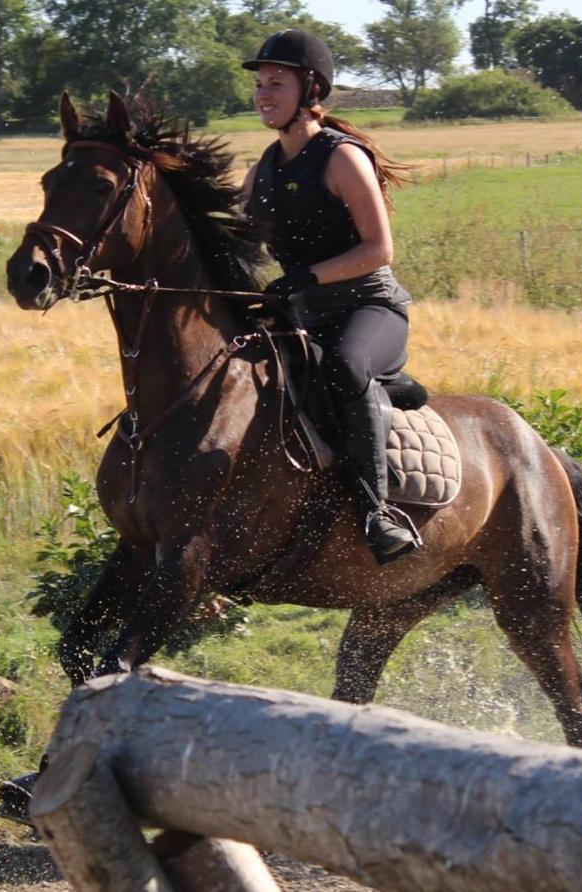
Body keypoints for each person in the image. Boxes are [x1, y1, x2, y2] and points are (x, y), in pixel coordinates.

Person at [241, 29, 421, 564]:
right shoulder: (260, 172)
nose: (263, 94)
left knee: (344, 364)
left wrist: (305, 278)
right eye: (260, 84)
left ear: (311, 89)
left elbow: (379, 249)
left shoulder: (341, 158)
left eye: (276, 83)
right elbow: (236, 246)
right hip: (304, 316)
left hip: (369, 307)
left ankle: (378, 514)